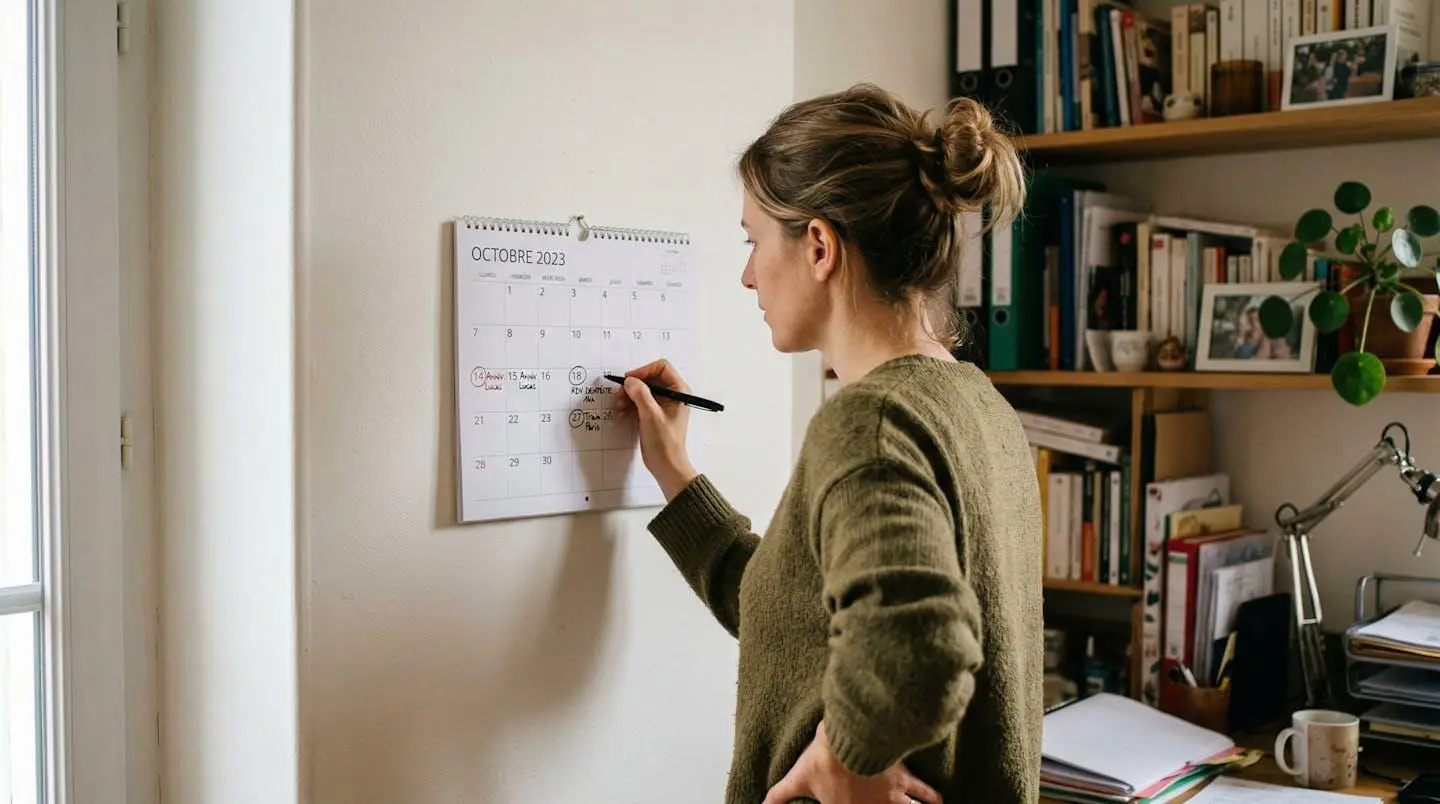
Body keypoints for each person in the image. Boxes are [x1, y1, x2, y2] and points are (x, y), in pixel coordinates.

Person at [615, 84, 1043, 804]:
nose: (747, 273)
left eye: (753, 240)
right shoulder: (979, 407)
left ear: (818, 245)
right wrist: (675, 473)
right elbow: (794, 620)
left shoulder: (870, 423)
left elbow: (921, 644)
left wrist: (845, 759)